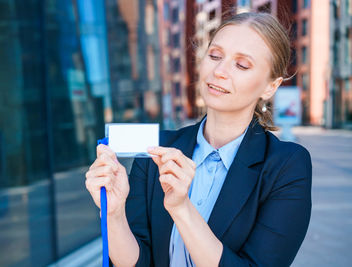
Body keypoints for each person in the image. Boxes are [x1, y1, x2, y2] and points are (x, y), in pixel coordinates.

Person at [85, 12, 312, 267]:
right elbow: (140, 261)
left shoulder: (287, 165)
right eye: (215, 56)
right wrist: (113, 215)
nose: (220, 71)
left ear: (271, 86)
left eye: (242, 65)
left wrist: (181, 208)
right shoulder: (157, 149)